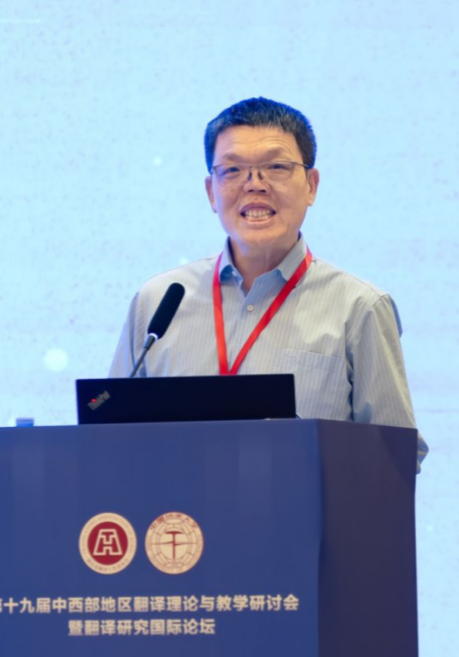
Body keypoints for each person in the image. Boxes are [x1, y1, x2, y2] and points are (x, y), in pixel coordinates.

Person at [109, 97, 428, 470]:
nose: (254, 185)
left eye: (276, 167)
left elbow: (395, 457)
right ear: (211, 192)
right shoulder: (157, 301)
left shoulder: (359, 308)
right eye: (232, 170)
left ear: (311, 186)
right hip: (180, 509)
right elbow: (109, 437)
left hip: (300, 509)